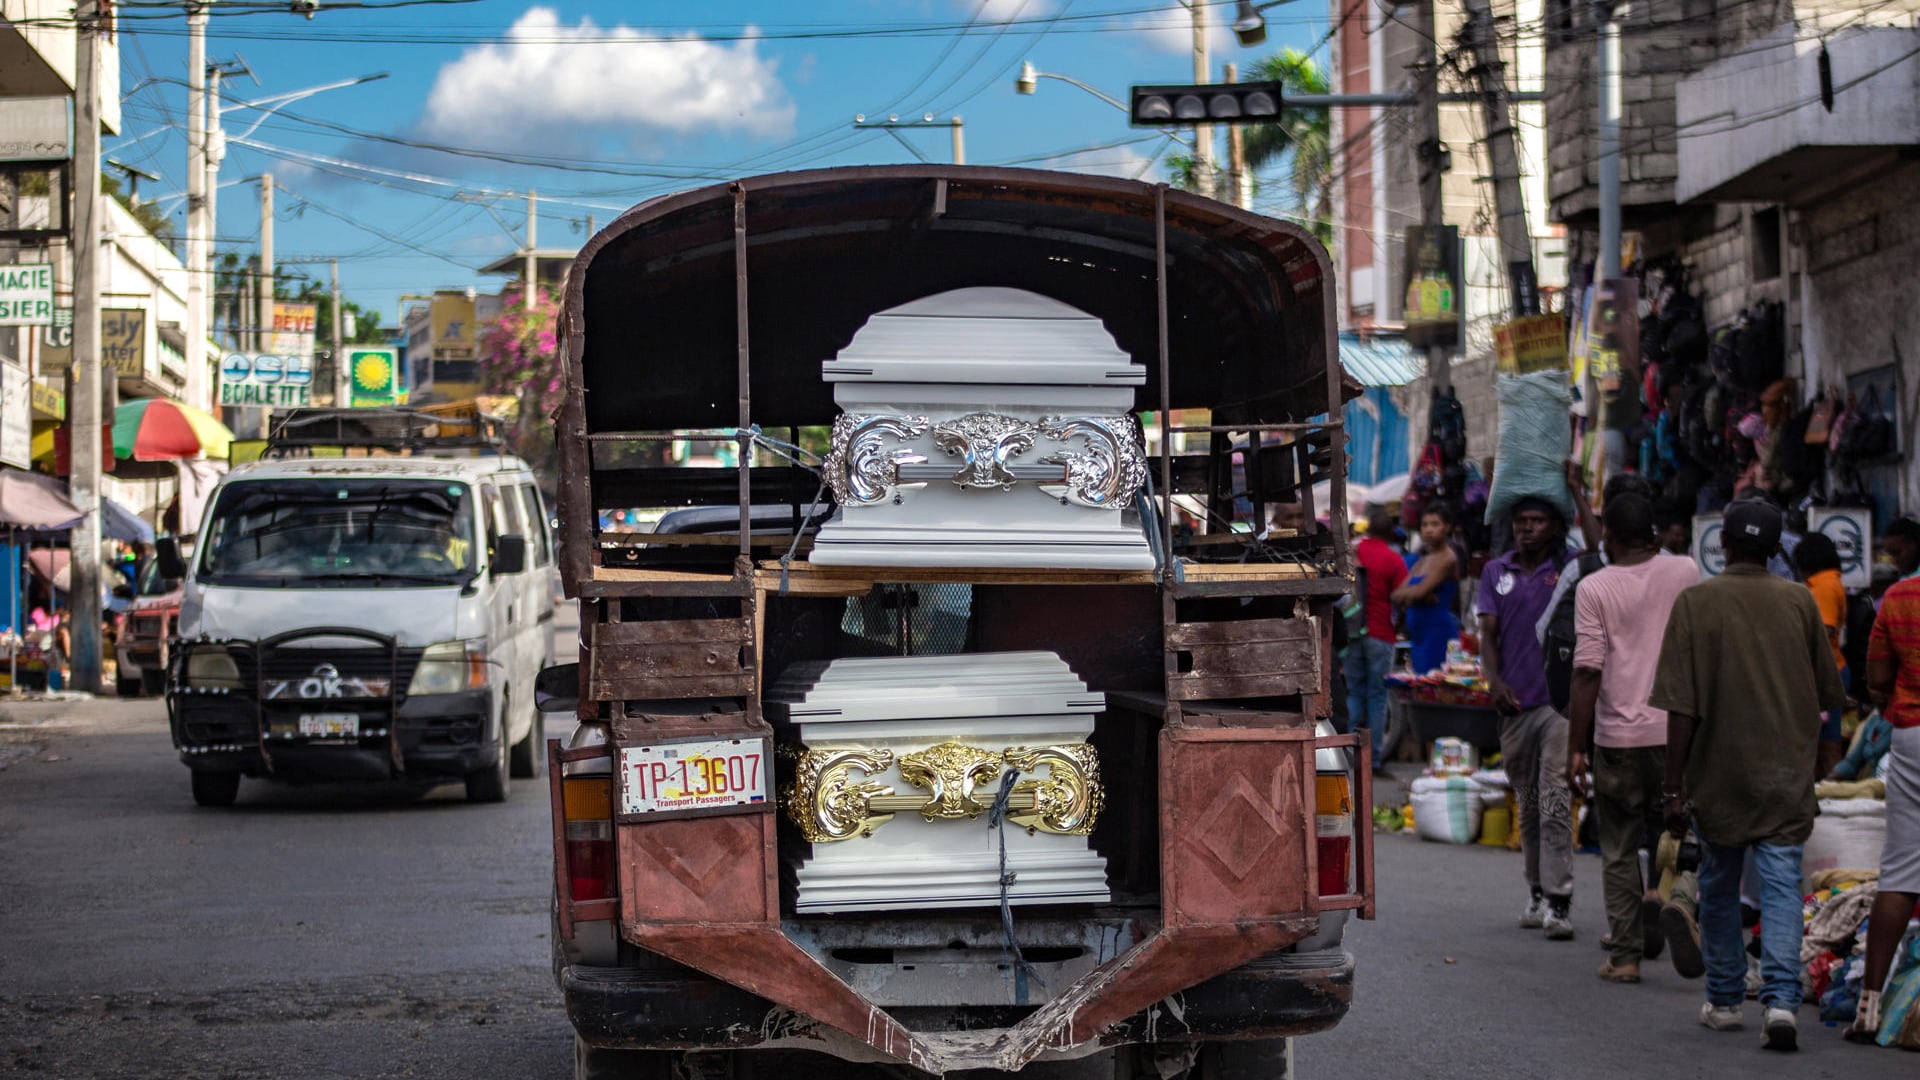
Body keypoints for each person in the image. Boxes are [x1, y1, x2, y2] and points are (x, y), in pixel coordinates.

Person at [1650, 499, 1846, 1051]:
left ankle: (1728, 999)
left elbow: (1680, 708)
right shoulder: (1801, 602)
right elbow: (1828, 694)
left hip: (1720, 776)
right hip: (1785, 773)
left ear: (1725, 546)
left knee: (1717, 883)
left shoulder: (1696, 603)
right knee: (1782, 886)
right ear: (1775, 549)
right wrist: (1824, 763)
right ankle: (1781, 1003)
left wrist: (1673, 786)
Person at [1566, 494, 1703, 983]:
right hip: (1680, 731)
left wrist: (1576, 747)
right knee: (1682, 828)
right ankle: (1674, 898)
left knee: (1620, 845)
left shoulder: (1595, 587)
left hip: (1619, 739)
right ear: (1654, 533)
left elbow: (1587, 671)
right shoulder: (1686, 571)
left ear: (1610, 538)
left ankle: (1624, 956)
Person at [1476, 496, 1577, 940]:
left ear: (1555, 526)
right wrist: (1493, 682)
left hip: (1559, 707)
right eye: (1521, 522)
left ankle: (1560, 899)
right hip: (1514, 705)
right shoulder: (1497, 572)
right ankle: (1536, 890)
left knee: (1555, 800)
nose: (1528, 529)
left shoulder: (1571, 568)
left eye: (1537, 521)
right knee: (1529, 805)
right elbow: (1488, 636)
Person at [1848, 569, 1920, 1043]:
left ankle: (1869, 1007)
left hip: (1912, 734)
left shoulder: (1899, 595)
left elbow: (1876, 679)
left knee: (1900, 871)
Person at [1347, 512, 1409, 765]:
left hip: (1353, 630)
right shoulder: (1394, 559)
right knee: (1377, 696)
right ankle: (1373, 759)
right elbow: (1403, 598)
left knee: (1353, 692)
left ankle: (1345, 754)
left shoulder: (1354, 550)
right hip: (1381, 633)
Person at [1795, 533, 1850, 777]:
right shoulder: (1824, 583)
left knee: (1828, 742)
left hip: (1829, 671)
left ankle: (1832, 789)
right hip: (1826, 670)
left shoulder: (1826, 585)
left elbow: (1825, 630)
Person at [1391, 504, 1461, 675]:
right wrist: (1415, 594)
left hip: (1437, 633)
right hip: (1418, 635)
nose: (1429, 530)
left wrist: (1414, 594)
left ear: (1447, 527)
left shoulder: (1447, 557)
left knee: (1434, 686)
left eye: (1435, 524)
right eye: (1425, 525)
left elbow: (1417, 592)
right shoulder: (1423, 559)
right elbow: (1395, 594)